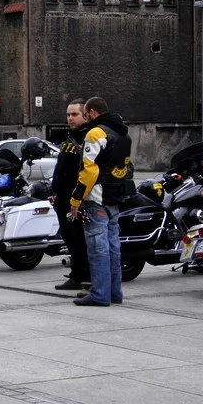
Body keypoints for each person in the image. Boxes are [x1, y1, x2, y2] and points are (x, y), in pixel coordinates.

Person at [70, 97, 131, 307]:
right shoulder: (123, 133)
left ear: (93, 112)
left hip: (96, 198)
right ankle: (115, 293)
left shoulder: (96, 133)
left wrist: (76, 199)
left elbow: (90, 171)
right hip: (114, 197)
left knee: (98, 248)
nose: (85, 119)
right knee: (113, 247)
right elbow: (125, 167)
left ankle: (100, 294)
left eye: (85, 114)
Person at [50, 99, 92, 291]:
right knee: (69, 238)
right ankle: (76, 275)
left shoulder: (88, 138)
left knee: (79, 240)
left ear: (86, 115)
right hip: (63, 197)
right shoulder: (71, 136)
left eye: (74, 114)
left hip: (76, 198)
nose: (70, 118)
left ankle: (86, 277)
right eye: (68, 114)